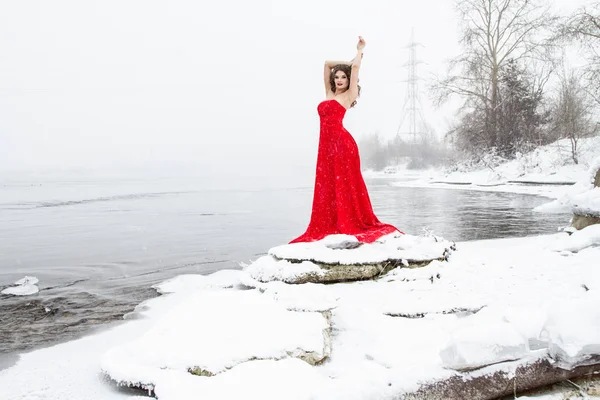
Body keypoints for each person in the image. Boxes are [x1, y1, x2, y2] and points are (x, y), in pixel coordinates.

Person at [290, 36, 402, 244]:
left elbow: (357, 69)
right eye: (338, 77)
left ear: (349, 80)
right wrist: (345, 64)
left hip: (342, 145)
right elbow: (326, 64)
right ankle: (332, 222)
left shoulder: (349, 95)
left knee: (345, 185)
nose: (340, 79)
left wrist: (359, 51)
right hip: (326, 148)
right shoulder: (329, 93)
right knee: (329, 185)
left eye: (344, 77)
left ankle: (350, 221)